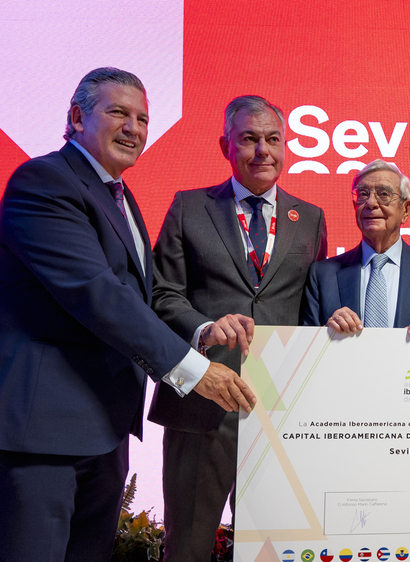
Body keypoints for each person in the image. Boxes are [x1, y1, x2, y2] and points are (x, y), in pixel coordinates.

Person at [0, 68, 254, 562]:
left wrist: (203, 328)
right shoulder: (44, 181)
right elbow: (98, 293)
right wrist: (193, 370)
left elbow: (148, 290)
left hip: (104, 430)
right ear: (76, 117)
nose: (135, 128)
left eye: (142, 118)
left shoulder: (119, 195)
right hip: (43, 439)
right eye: (118, 112)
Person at [147, 95, 327, 561]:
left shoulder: (310, 218)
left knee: (272, 548)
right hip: (202, 403)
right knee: (187, 545)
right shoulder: (189, 207)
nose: (263, 150)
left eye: (273, 139)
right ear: (226, 145)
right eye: (249, 139)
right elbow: (162, 294)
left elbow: (313, 305)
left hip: (280, 411)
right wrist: (205, 327)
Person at [302, 159, 410, 340]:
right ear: (355, 207)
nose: (371, 203)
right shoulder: (322, 275)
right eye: (363, 194)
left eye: (384, 194)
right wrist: (326, 333)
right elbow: (305, 346)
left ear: (405, 210)